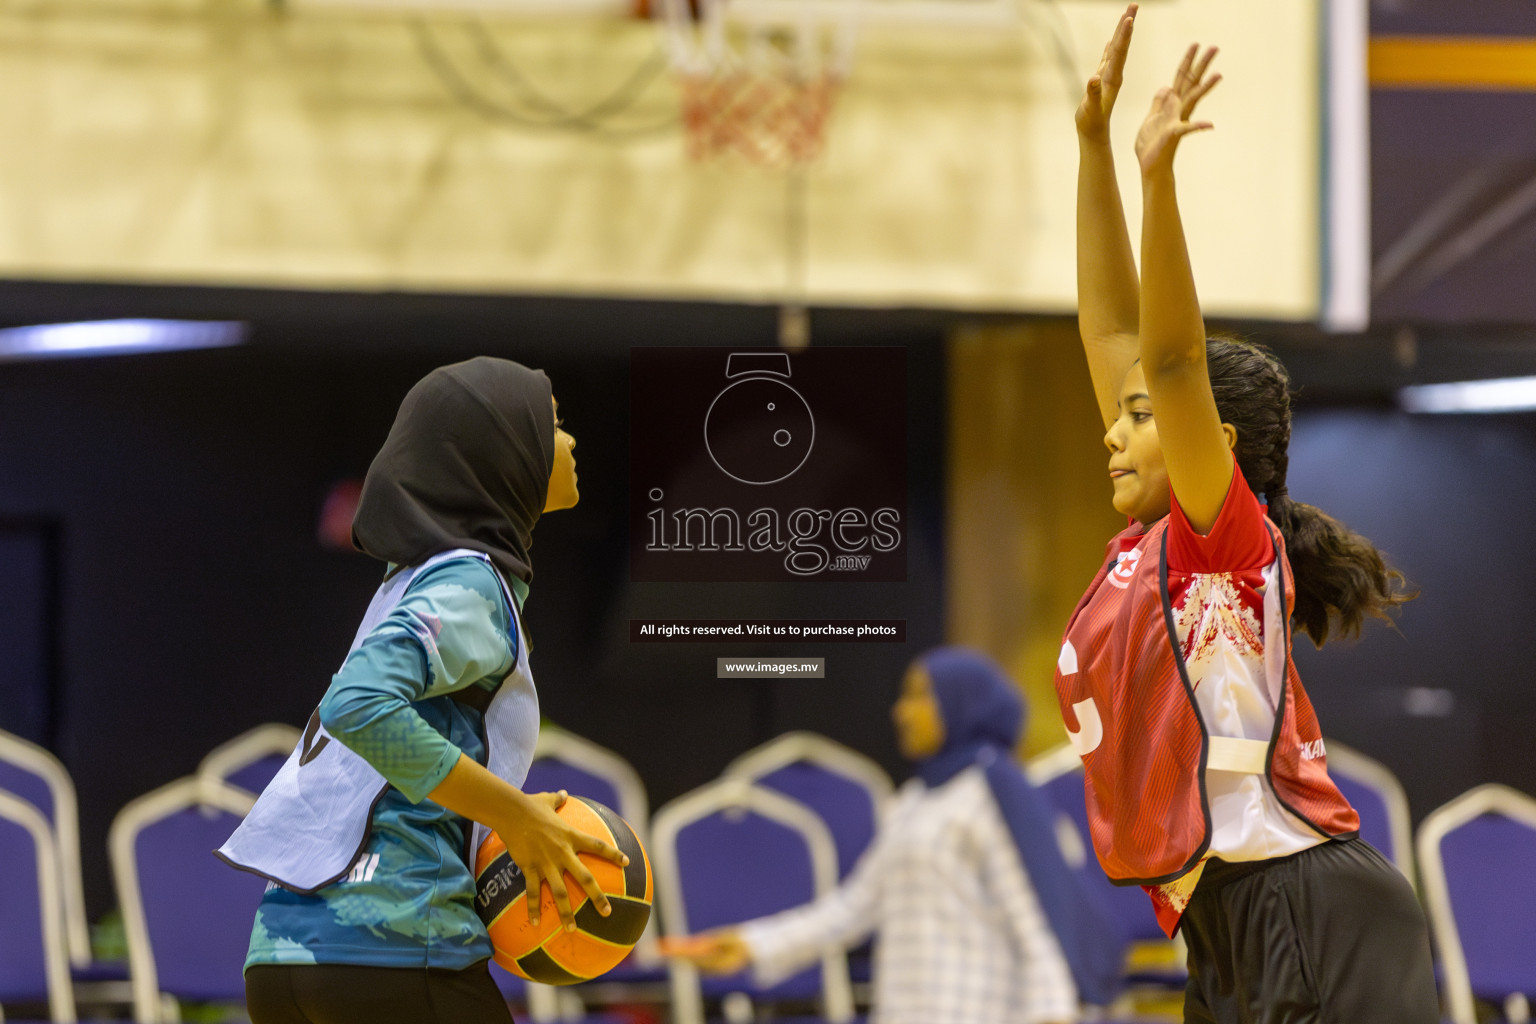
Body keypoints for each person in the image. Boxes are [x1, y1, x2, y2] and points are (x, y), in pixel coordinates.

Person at [1062, 7, 1439, 1022]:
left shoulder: (1218, 545)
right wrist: (1092, 149)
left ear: (1212, 446)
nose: (1114, 427)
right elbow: (1112, 329)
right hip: (1222, 923)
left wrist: (1156, 178)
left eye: (1142, 419)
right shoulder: (1144, 552)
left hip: (1304, 903)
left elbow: (1173, 361)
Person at [218, 357, 628, 1024]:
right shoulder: (467, 585)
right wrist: (514, 816)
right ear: (504, 454)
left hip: (285, 953)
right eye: (553, 426)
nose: (572, 441)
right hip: (394, 945)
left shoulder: (408, 581)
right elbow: (359, 705)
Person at [667, 647, 1128, 1024]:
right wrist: (751, 945)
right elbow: (854, 907)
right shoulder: (913, 801)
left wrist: (1053, 1013)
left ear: (961, 703)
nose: (901, 712)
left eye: (919, 697)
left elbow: (1038, 924)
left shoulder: (996, 795)